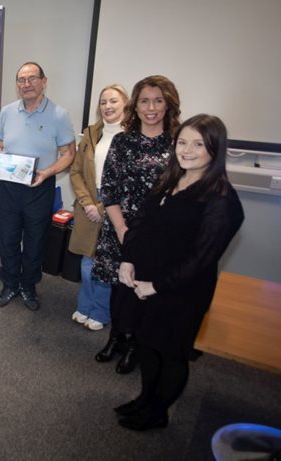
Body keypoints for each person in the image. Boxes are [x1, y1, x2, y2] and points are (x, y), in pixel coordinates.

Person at [113, 114, 244, 431]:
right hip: (144, 280)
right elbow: (142, 223)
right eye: (182, 142)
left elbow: (202, 259)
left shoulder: (222, 200)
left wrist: (156, 286)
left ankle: (158, 412)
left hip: (179, 292)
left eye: (198, 144)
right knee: (145, 343)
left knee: (170, 352)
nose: (187, 150)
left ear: (215, 149)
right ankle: (145, 398)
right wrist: (128, 258)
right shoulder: (170, 178)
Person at [92, 75, 181, 374]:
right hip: (121, 227)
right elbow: (109, 189)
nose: (151, 107)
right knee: (119, 289)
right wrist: (121, 231)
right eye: (144, 100)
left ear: (168, 104)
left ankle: (134, 345)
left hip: (158, 235)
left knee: (142, 291)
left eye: (158, 100)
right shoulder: (122, 140)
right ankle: (115, 337)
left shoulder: (178, 144)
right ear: (136, 105)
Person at [0, 62, 76, 311]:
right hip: (9, 186)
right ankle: (9, 284)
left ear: (44, 81)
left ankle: (28, 286)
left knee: (35, 240)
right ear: (16, 84)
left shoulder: (58, 115)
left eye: (32, 79)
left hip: (39, 186)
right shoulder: (7, 112)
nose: (26, 84)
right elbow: (0, 142)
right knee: (6, 238)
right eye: (21, 79)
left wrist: (47, 172)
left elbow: (68, 153)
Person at [68, 84, 129, 331]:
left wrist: (103, 207)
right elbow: (76, 172)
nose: (108, 106)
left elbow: (128, 181)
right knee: (86, 260)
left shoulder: (132, 137)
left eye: (113, 101)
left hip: (116, 206)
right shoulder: (91, 133)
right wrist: (87, 203)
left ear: (125, 103)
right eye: (103, 102)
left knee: (106, 263)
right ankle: (85, 306)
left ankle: (101, 312)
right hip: (88, 203)